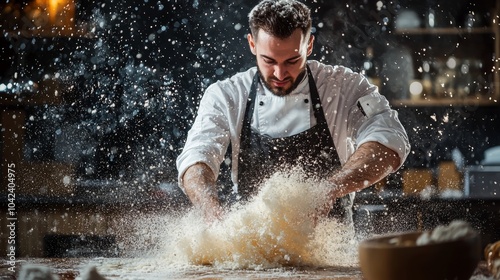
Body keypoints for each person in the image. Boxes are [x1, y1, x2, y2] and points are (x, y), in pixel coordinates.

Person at [176, 0, 410, 225]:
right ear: (252, 44)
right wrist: (211, 210)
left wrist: (330, 188)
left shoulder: (345, 87)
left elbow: (388, 139)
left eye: (292, 60)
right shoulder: (225, 95)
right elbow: (197, 157)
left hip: (331, 256)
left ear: (309, 46)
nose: (279, 73)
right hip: (251, 256)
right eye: (268, 60)